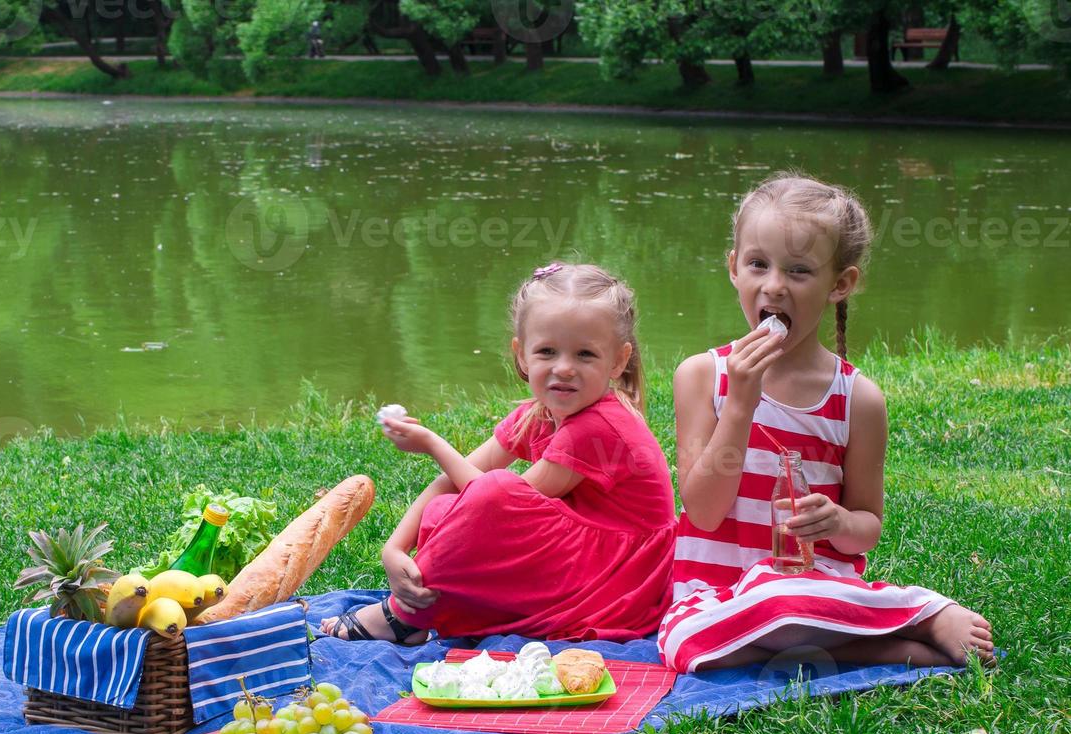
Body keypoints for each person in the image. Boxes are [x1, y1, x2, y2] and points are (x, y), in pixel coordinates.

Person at [660, 172, 995, 672]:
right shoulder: (701, 377)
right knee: (688, 647)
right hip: (715, 596)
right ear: (733, 269)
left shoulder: (856, 400)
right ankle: (882, 643)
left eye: (798, 271)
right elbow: (704, 513)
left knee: (789, 603)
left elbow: (866, 527)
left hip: (808, 588)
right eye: (758, 264)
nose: (773, 285)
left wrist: (838, 522)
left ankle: (925, 613)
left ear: (840, 284)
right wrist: (740, 405)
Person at [320, 263, 677, 644]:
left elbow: (498, 502)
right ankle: (415, 611)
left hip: (622, 582)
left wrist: (432, 443)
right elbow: (456, 484)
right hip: (583, 556)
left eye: (585, 354)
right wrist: (393, 549)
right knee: (443, 508)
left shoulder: (600, 426)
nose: (564, 368)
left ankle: (401, 616)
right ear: (522, 355)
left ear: (619, 360)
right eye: (547, 351)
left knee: (492, 493)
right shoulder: (537, 415)